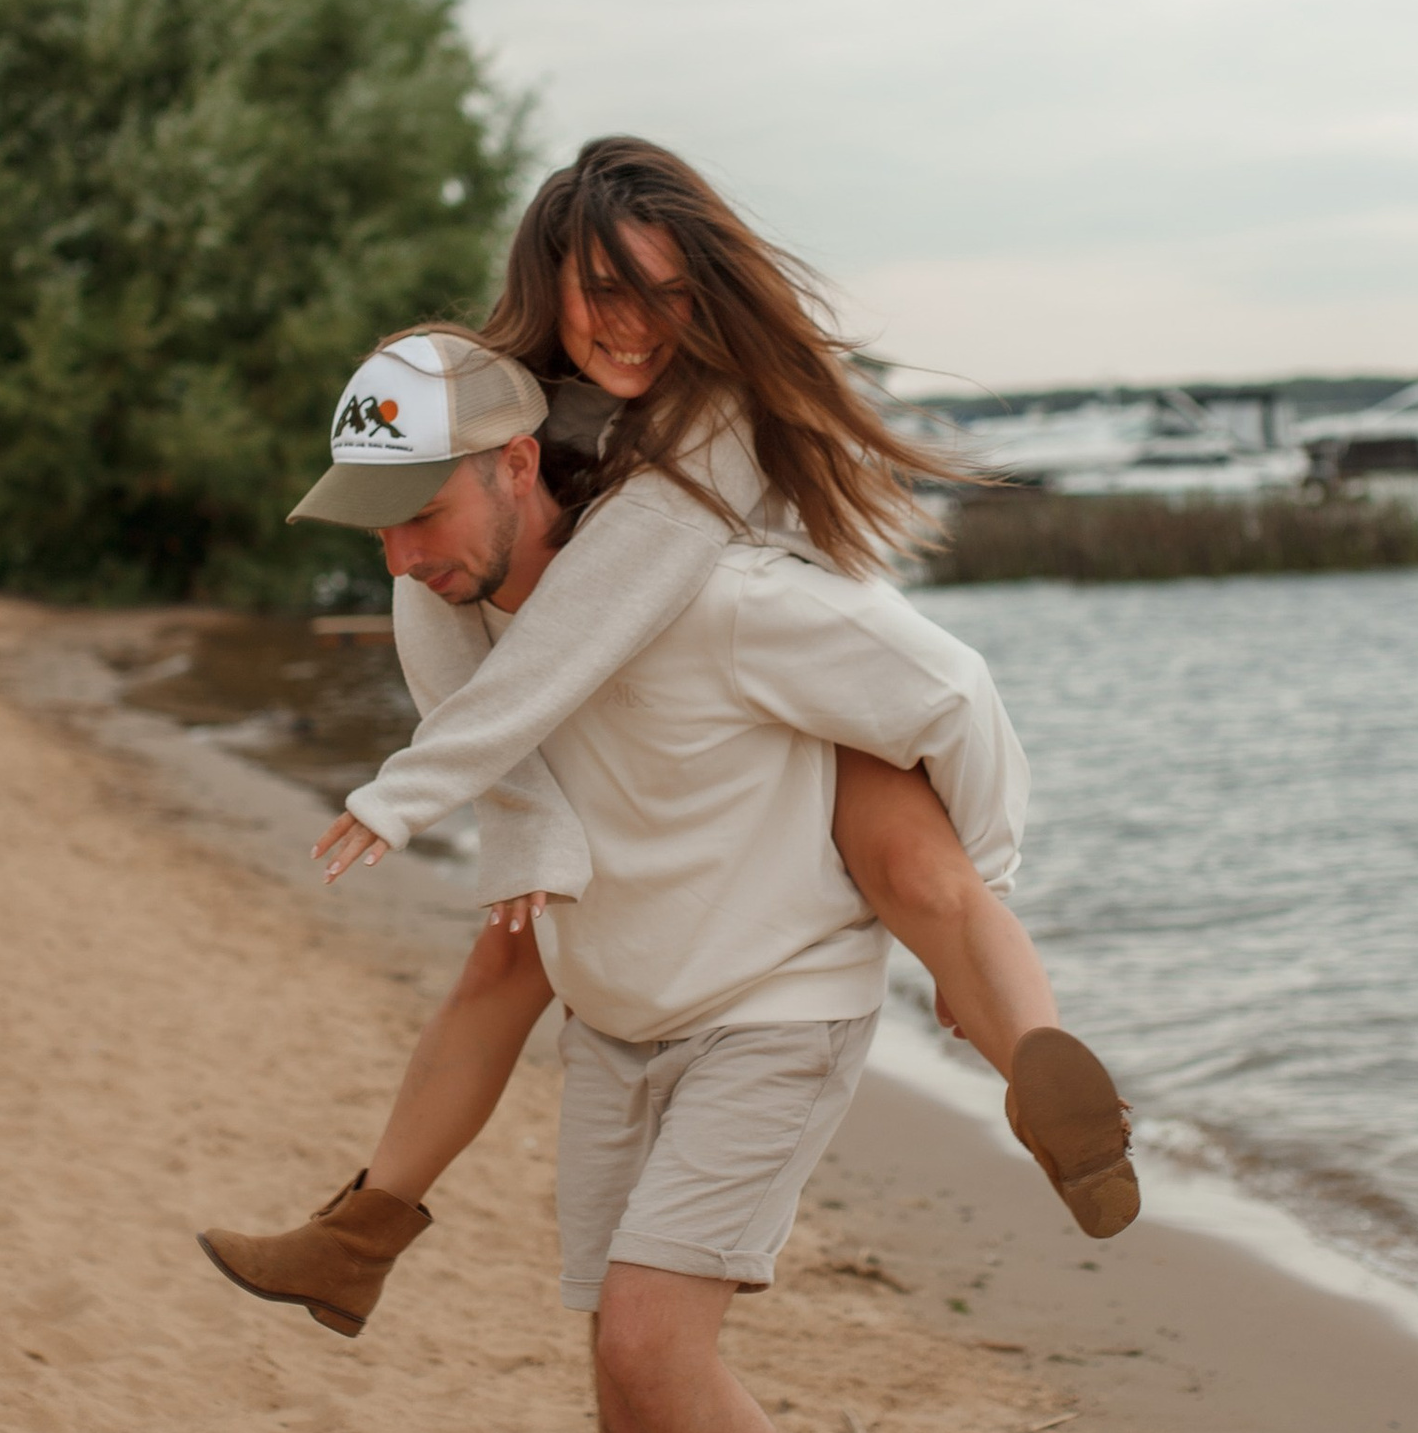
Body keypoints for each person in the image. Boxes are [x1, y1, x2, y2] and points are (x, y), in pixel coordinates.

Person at [196, 290, 1122, 1433]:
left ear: (517, 467)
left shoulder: (724, 598)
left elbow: (949, 690)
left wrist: (963, 883)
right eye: (375, 528)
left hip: (774, 1008)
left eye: (420, 514)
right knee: (625, 1384)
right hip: (616, 1023)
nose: (401, 558)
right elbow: (510, 906)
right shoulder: (469, 637)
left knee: (651, 1337)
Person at [293, 138, 1137, 1247]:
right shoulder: (498, 413)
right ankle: (1028, 1057)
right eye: (604, 293)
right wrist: (519, 813)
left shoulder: (709, 422)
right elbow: (442, 602)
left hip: (797, 665)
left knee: (933, 879)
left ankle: (1042, 1077)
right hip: (748, 676)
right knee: (916, 885)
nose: (637, 326)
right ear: (545, 284)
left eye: (669, 295)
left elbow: (595, 604)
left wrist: (413, 793)